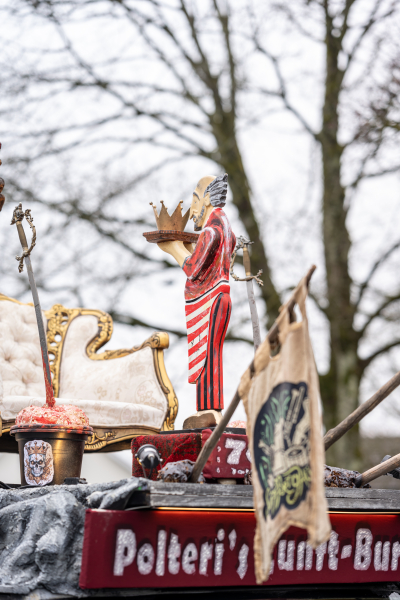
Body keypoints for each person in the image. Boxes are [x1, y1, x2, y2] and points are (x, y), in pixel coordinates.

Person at [157, 174, 236, 426]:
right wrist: (188, 249)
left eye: (195, 201)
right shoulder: (226, 229)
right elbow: (207, 263)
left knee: (207, 355)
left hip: (210, 299)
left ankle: (208, 409)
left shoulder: (211, 232)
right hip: (221, 295)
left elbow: (193, 269)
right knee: (212, 353)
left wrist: (173, 247)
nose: (192, 210)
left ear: (207, 199)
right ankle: (209, 408)